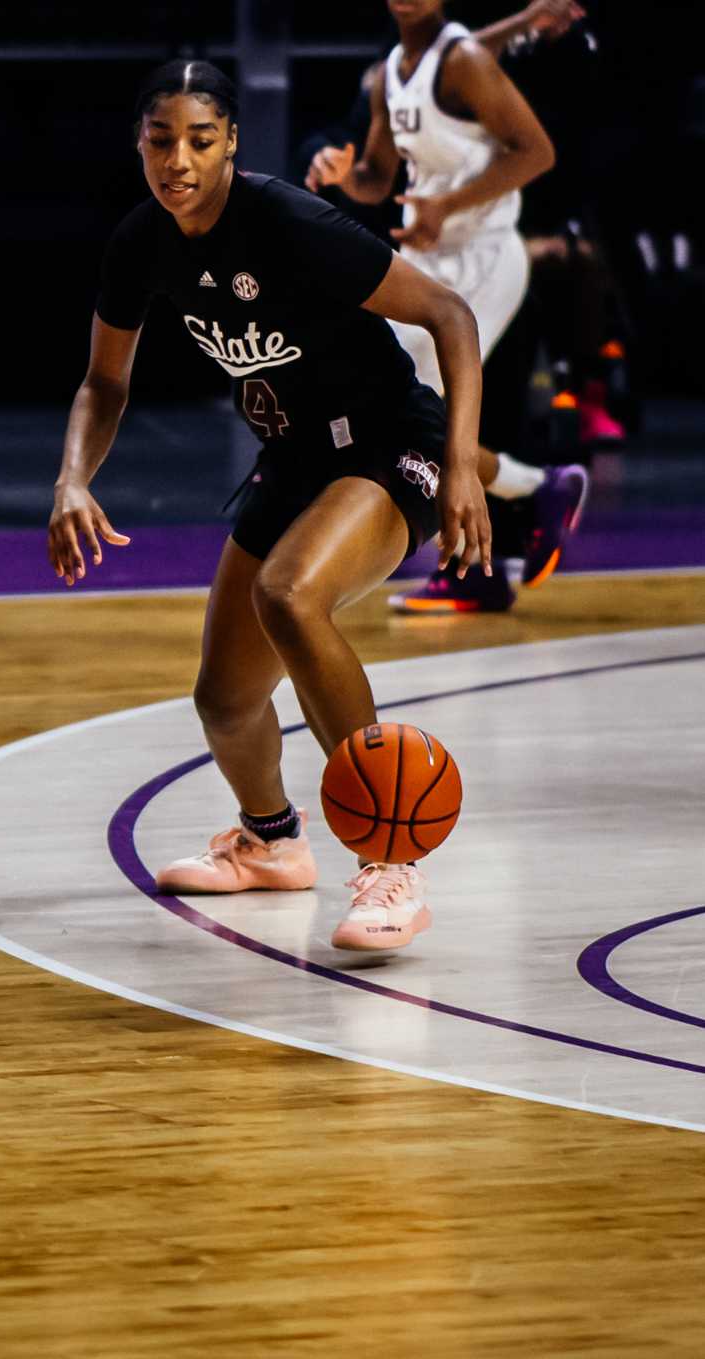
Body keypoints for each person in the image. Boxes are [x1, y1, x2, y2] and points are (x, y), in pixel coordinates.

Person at [51, 62, 489, 953]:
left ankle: (389, 862)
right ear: (138, 144)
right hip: (293, 454)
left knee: (289, 594)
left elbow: (448, 314)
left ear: (231, 144)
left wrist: (461, 467)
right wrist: (70, 478)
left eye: (199, 140)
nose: (178, 159)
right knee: (224, 698)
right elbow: (104, 381)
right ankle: (271, 842)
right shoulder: (140, 243)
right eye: (160, 139)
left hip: (381, 441)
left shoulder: (289, 221)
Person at [307, 0, 584, 615]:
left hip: (484, 254)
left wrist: (446, 207)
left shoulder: (464, 59)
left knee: (426, 412)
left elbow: (536, 151)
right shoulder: (391, 72)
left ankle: (474, 565)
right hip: (431, 258)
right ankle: (538, 491)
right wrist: (345, 175)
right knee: (401, 404)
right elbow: (380, 178)